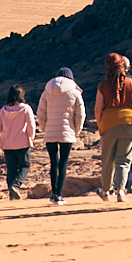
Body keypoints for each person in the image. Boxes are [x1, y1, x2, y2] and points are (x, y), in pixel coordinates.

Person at [94, 52, 132, 199]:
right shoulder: (130, 83)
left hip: (108, 123)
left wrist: (100, 125)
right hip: (129, 121)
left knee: (108, 159)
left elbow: (98, 108)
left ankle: (105, 191)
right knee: (124, 160)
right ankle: (121, 191)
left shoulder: (103, 85)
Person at [35, 66, 85, 205]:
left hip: (50, 132)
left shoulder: (46, 92)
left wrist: (45, 128)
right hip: (67, 132)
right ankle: (59, 194)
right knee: (63, 163)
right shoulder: (75, 93)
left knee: (53, 163)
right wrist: (77, 131)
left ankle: (53, 194)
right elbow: (80, 115)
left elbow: (41, 113)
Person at [0, 84, 37, 200]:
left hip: (7, 143)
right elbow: (31, 125)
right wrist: (31, 137)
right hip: (23, 142)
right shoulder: (26, 108)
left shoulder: (3, 110)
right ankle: (16, 186)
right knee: (24, 165)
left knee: (11, 168)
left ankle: (12, 193)